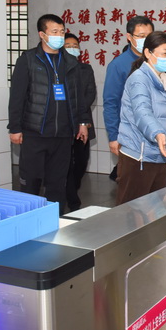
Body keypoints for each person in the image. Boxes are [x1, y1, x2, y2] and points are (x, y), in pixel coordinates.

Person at [8, 14, 90, 213]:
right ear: (42, 34)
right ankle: (28, 221)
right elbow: (17, 95)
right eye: (54, 32)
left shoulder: (70, 62)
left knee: (57, 183)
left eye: (61, 32)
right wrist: (15, 127)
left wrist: (83, 122)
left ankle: (56, 220)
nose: (59, 36)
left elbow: (78, 96)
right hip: (35, 132)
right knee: (31, 182)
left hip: (63, 134)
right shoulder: (28, 60)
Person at [116, 31, 166, 205]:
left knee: (154, 210)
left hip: (157, 155)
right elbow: (142, 112)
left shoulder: (161, 79)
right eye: (164, 53)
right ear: (148, 53)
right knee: (130, 211)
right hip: (139, 156)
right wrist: (157, 133)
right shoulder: (139, 79)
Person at [103, 15, 154, 180]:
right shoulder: (118, 65)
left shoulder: (156, 62)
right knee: (132, 183)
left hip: (152, 135)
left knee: (153, 184)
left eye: (149, 36)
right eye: (141, 36)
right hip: (129, 135)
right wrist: (113, 136)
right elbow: (111, 103)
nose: (146, 40)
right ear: (129, 37)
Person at [63, 33, 96, 212]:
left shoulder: (85, 69)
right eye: (68, 45)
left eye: (75, 45)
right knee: (66, 163)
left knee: (82, 161)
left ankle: (71, 189)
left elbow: (90, 94)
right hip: (63, 124)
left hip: (83, 122)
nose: (72, 48)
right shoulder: (57, 69)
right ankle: (72, 199)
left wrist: (79, 113)